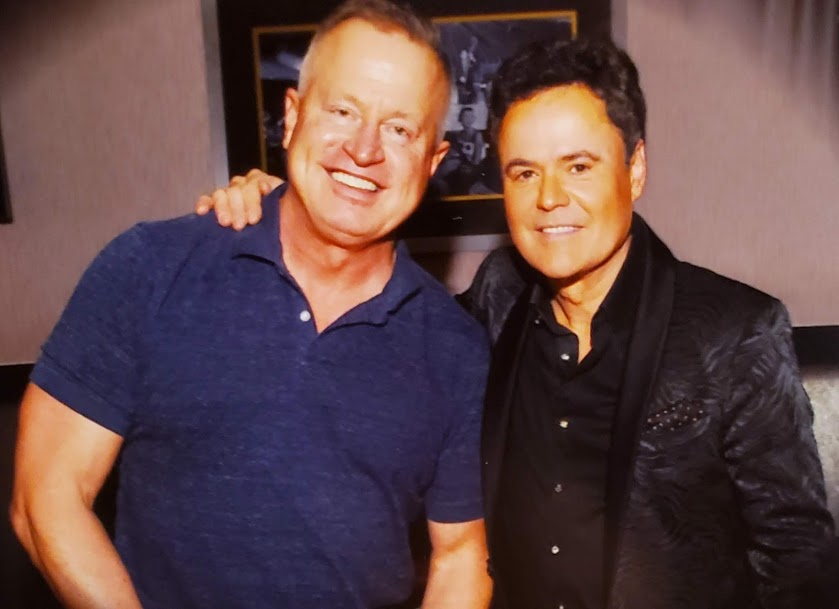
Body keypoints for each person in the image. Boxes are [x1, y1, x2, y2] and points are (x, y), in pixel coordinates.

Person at [199, 37, 836, 609]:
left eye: (579, 166)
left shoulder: (736, 331)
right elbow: (391, 342)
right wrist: (289, 207)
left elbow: (797, 554)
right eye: (525, 172)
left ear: (635, 168)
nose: (549, 197)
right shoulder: (497, 297)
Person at [9, 2, 493, 609]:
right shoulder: (150, 268)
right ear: (291, 118)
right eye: (342, 111)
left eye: (400, 129)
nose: (364, 149)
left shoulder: (455, 349)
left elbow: (460, 556)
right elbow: (46, 497)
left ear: (433, 161)